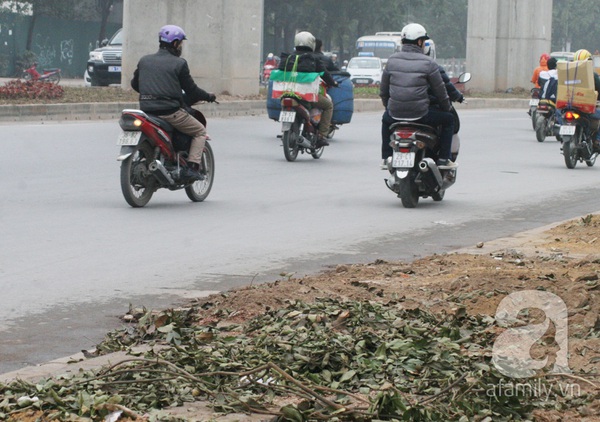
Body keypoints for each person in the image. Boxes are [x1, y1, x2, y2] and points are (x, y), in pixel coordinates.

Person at [131, 24, 216, 181]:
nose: (181, 47)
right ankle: (192, 168)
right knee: (199, 131)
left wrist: (152, 94)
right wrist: (209, 96)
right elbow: (192, 91)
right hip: (171, 113)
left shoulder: (144, 60)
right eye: (181, 43)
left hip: (147, 112)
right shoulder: (179, 64)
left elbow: (135, 85)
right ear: (175, 43)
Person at [379, 23, 456, 168]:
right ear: (420, 42)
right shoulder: (429, 63)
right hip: (421, 114)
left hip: (395, 113)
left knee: (385, 119)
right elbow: (441, 92)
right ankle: (444, 159)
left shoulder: (391, 61)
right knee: (449, 120)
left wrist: (389, 107)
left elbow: (383, 91)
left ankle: (386, 156)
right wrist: (447, 108)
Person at [278, 31, 338, 147]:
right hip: (307, 96)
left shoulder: (288, 57)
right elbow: (324, 73)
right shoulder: (314, 58)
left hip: (287, 93)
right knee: (328, 105)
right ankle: (321, 135)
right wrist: (333, 83)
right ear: (312, 44)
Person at [572, 49, 600, 147]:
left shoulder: (569, 74)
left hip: (570, 106)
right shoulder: (593, 76)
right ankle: (597, 140)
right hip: (586, 108)